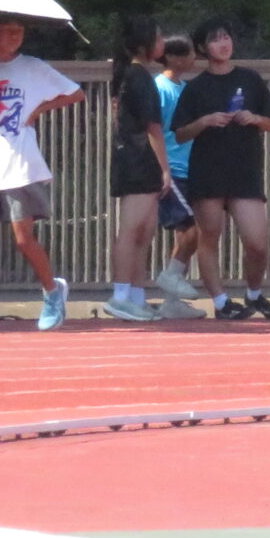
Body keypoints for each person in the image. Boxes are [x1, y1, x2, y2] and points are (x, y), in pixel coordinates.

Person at [0, 14, 81, 334]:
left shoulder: (33, 67)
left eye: (19, 31)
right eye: (8, 31)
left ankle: (52, 290)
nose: (14, 36)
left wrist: (39, 109)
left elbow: (75, 93)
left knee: (23, 237)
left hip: (20, 162)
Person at [172, 16, 270, 320]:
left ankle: (254, 294)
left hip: (244, 169)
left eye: (226, 37)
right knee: (209, 237)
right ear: (203, 48)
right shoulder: (196, 88)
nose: (223, 44)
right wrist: (205, 122)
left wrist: (254, 118)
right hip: (207, 170)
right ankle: (221, 302)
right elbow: (180, 133)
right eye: (215, 39)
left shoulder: (250, 79)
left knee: (257, 242)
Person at [101, 19, 177, 322]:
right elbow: (153, 127)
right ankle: (120, 296)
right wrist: (165, 169)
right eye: (158, 37)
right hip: (139, 159)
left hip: (136, 158)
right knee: (132, 229)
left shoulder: (132, 74)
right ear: (144, 43)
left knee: (144, 230)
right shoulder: (138, 76)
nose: (163, 42)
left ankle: (136, 295)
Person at [151, 34, 204, 315]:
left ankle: (171, 302)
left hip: (189, 167)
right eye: (190, 53)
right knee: (192, 231)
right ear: (172, 57)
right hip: (171, 168)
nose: (194, 58)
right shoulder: (159, 88)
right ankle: (169, 276)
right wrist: (162, 168)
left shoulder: (185, 88)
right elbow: (152, 129)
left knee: (186, 232)